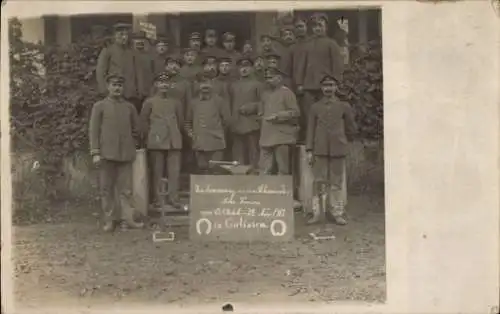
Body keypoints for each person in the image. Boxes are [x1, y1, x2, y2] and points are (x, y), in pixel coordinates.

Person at [89, 73, 144, 232]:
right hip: (106, 154)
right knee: (106, 189)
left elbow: (137, 129)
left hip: (125, 154)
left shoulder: (129, 107)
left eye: (120, 85)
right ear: (108, 87)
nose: (117, 88)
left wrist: (132, 143)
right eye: (114, 85)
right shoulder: (99, 106)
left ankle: (127, 220)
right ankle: (109, 221)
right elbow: (93, 131)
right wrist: (95, 152)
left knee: (126, 190)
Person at [305, 74, 357, 226]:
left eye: (331, 85)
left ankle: (337, 213)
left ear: (336, 88)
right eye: (325, 86)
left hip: (337, 149)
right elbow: (310, 130)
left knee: (336, 182)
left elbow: (351, 127)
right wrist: (309, 149)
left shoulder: (343, 106)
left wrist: (345, 141)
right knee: (318, 181)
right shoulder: (315, 107)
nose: (328, 88)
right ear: (321, 88)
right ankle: (317, 213)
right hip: (319, 149)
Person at [140, 72, 184, 209]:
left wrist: (176, 134)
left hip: (174, 140)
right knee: (157, 171)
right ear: (156, 85)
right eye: (161, 82)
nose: (164, 85)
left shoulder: (176, 102)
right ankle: (158, 199)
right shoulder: (149, 102)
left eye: (166, 82)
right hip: (156, 140)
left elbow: (181, 121)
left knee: (174, 172)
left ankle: (173, 198)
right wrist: (151, 136)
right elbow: (143, 122)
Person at [301, 13, 345, 126]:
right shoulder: (307, 44)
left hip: (325, 84)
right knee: (309, 112)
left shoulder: (331, 44)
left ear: (326, 27)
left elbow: (337, 65)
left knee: (326, 111)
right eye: (315, 26)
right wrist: (300, 82)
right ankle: (311, 137)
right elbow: (302, 64)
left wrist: (336, 82)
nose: (317, 28)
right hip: (308, 85)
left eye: (320, 25)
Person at [185, 74, 231, 174]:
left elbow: (227, 121)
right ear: (197, 85)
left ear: (212, 84)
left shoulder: (219, 101)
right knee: (202, 169)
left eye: (207, 83)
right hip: (199, 142)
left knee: (216, 169)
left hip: (216, 143)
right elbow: (187, 122)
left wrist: (217, 132)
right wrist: (192, 134)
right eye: (202, 83)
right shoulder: (193, 103)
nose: (205, 86)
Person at [258, 67, 300, 175]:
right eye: (267, 78)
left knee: (283, 170)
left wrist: (278, 116)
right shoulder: (265, 94)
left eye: (271, 78)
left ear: (279, 78)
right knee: (264, 169)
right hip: (266, 136)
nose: (268, 80)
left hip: (282, 137)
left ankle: (284, 191)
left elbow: (295, 112)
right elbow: (261, 111)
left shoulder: (287, 93)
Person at [96, 23, 139, 112]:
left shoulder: (131, 52)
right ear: (114, 36)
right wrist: (104, 90)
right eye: (121, 35)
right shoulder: (108, 51)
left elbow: (138, 72)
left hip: (130, 93)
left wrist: (138, 90)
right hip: (113, 92)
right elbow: (101, 71)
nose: (124, 38)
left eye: (126, 35)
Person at [229, 56, 262, 170]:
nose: (244, 69)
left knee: (253, 149)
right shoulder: (233, 85)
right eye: (241, 67)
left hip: (251, 123)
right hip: (236, 123)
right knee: (238, 151)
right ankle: (238, 173)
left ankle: (254, 172)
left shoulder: (257, 84)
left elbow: (263, 102)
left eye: (247, 67)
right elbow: (229, 104)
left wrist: (251, 107)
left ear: (252, 68)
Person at [288, 16, 311, 142]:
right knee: (296, 117)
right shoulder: (292, 48)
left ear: (307, 28)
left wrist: (304, 84)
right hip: (294, 87)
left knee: (308, 116)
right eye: (297, 27)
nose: (299, 29)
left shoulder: (312, 45)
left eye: (302, 26)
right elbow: (290, 68)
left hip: (309, 87)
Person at [132, 32, 155, 113]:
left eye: (142, 40)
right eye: (137, 40)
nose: (139, 42)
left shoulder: (150, 57)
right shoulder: (130, 56)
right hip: (133, 93)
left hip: (147, 91)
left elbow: (153, 73)